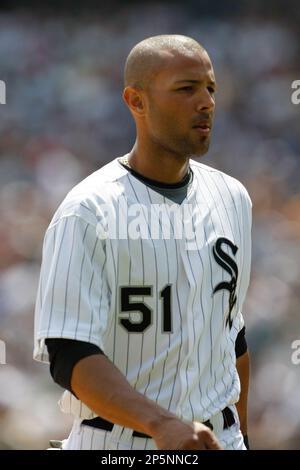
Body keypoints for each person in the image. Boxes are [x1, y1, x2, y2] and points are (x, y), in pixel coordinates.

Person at [34, 34, 251, 450]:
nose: (206, 102)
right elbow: (69, 354)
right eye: (186, 89)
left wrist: (243, 435)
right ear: (136, 102)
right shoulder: (87, 210)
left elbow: (232, 337)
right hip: (120, 444)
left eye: (210, 88)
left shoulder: (233, 198)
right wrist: (161, 424)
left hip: (222, 439)